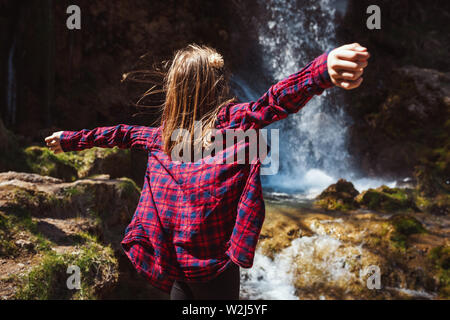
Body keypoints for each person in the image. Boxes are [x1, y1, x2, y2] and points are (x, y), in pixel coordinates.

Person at [45, 43, 369, 300]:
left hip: (176, 265)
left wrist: (68, 140)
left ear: (174, 91)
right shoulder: (233, 126)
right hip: (216, 269)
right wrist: (320, 71)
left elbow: (115, 134)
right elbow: (274, 101)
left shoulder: (161, 139)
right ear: (217, 87)